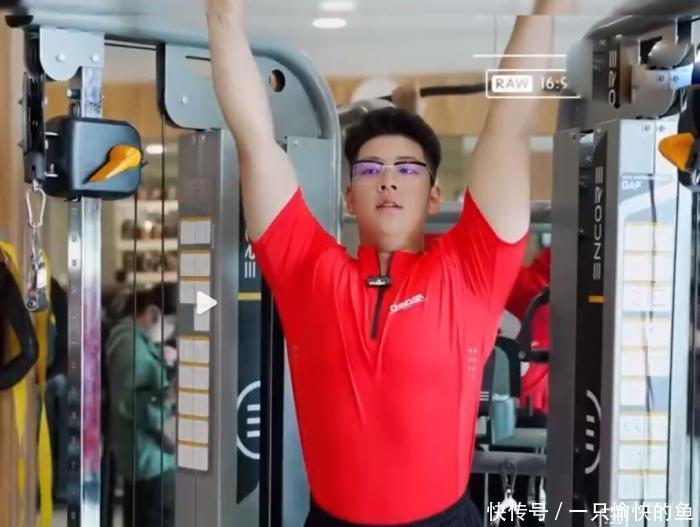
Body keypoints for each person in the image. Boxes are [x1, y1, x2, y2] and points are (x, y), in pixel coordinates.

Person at [206, 1, 566, 524]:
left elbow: (509, 125)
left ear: (435, 194)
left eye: (408, 170)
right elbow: (256, 144)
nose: (389, 181)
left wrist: (544, 10)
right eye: (370, 169)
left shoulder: (469, 272)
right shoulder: (309, 271)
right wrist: (224, 20)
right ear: (349, 198)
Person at [106, 288, 175, 527]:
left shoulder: (137, 342)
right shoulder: (129, 345)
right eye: (167, 320)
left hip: (149, 456)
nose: (167, 327)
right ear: (151, 313)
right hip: (148, 458)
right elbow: (129, 403)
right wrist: (168, 398)